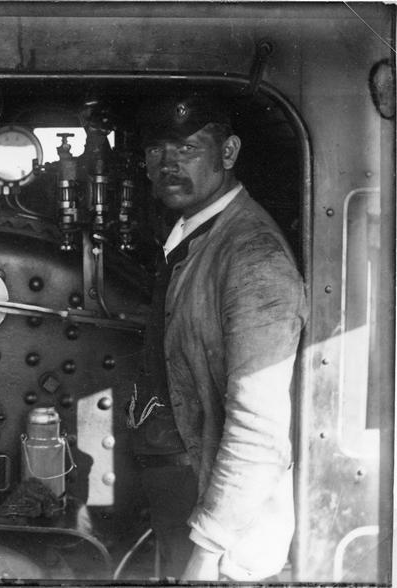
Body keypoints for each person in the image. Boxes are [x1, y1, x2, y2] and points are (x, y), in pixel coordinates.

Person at [127, 95, 308, 581]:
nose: (168, 163)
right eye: (157, 150)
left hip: (224, 546)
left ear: (228, 152)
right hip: (181, 499)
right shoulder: (194, 233)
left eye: (187, 147)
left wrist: (208, 551)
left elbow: (259, 428)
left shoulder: (252, 258)